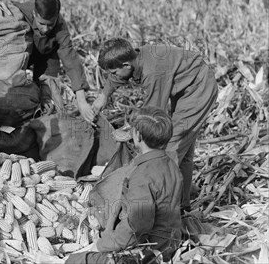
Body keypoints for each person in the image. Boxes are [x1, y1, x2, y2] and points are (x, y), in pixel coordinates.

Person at [92, 38, 218, 212]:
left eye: (113, 72)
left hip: (198, 88)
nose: (112, 77)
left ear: (127, 65)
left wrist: (131, 132)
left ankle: (169, 207)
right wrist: (104, 95)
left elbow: (154, 113)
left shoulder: (153, 72)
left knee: (171, 146)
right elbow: (117, 77)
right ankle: (184, 202)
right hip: (185, 86)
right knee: (184, 148)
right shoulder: (134, 58)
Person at [67, 106, 182, 264]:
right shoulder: (172, 165)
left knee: (74, 261)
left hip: (151, 250)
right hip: (172, 239)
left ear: (138, 136)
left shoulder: (143, 175)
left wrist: (101, 246)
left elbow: (136, 229)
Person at [0, 0, 95, 123]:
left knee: (49, 97)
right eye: (42, 24)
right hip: (19, 52)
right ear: (34, 14)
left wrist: (82, 101)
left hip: (46, 57)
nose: (46, 29)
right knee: (2, 86)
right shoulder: (21, 11)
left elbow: (70, 59)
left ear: (57, 17)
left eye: (50, 25)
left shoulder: (61, 27)